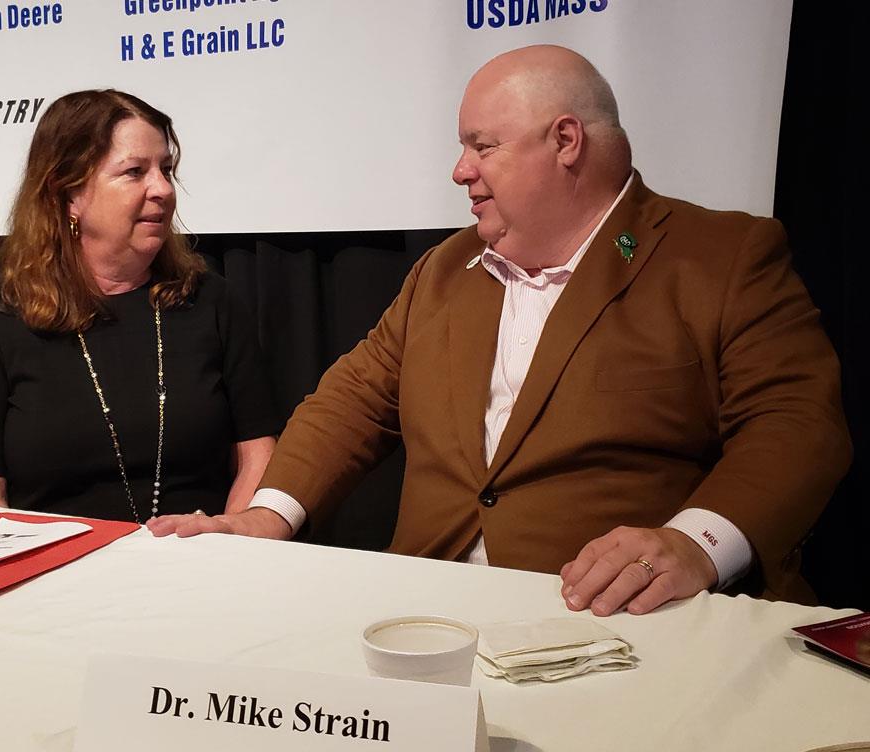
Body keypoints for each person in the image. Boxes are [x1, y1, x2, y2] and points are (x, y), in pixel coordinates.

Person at [149, 46, 852, 615]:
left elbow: (795, 425)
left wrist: (697, 544)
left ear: (566, 141)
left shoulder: (721, 256)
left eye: (481, 146)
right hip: (426, 618)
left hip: (614, 624)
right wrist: (268, 516)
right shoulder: (444, 270)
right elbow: (353, 401)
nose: (461, 171)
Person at [0, 90, 281, 523]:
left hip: (198, 559)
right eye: (134, 172)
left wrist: (230, 535)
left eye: (166, 170)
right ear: (68, 195)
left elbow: (260, 457)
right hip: (53, 570)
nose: (162, 189)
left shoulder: (211, 300)